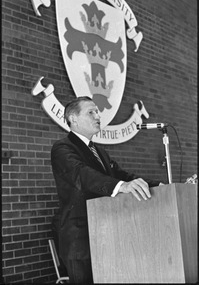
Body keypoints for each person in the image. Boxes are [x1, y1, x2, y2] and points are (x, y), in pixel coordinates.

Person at [51, 96, 163, 283]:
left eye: (97, 111)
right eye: (91, 112)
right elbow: (82, 175)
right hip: (80, 240)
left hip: (106, 234)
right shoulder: (62, 148)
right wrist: (121, 187)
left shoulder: (100, 152)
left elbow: (122, 175)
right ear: (73, 119)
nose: (98, 116)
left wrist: (159, 185)